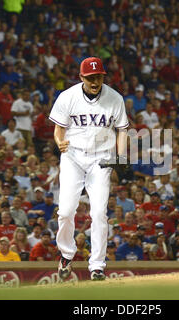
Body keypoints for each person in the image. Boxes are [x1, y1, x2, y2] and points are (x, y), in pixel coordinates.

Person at [49, 57, 129, 281]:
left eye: (99, 76)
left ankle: (97, 266)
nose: (95, 81)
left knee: (98, 213)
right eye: (90, 77)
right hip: (73, 157)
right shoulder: (68, 97)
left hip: (101, 159)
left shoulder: (115, 98)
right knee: (65, 211)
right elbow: (59, 128)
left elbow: (122, 130)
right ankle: (66, 254)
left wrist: (121, 156)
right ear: (81, 77)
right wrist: (58, 141)